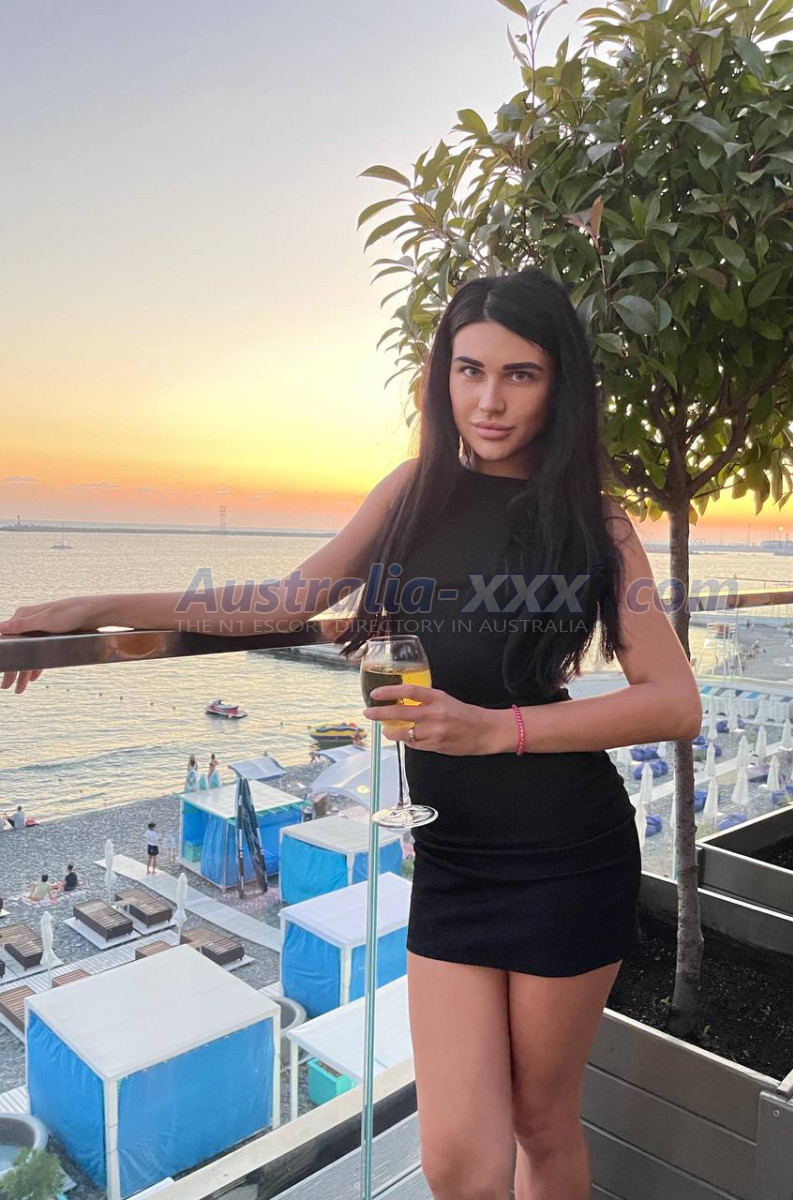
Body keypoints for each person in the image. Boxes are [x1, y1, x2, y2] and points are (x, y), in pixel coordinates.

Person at [0, 268, 702, 1200]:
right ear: (442, 377)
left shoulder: (593, 522)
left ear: (557, 385)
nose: (489, 401)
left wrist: (493, 730)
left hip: (567, 856)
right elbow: (278, 602)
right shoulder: (415, 492)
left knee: (541, 1121)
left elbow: (675, 702)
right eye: (470, 370)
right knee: (459, 1163)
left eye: (520, 375)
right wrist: (86, 607)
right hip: (453, 861)